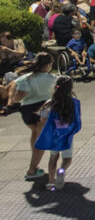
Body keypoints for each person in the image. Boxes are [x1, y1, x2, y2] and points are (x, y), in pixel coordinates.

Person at [12, 53, 57, 181]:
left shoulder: (26, 78)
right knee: (41, 139)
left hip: (26, 109)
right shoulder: (53, 78)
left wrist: (12, 104)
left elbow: (20, 96)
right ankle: (32, 169)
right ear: (48, 65)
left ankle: (34, 162)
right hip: (44, 108)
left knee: (34, 133)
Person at [35, 75, 81, 191]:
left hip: (53, 135)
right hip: (67, 134)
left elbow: (42, 119)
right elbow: (77, 120)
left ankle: (51, 182)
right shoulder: (74, 102)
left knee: (53, 157)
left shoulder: (50, 103)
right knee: (67, 158)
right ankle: (62, 171)